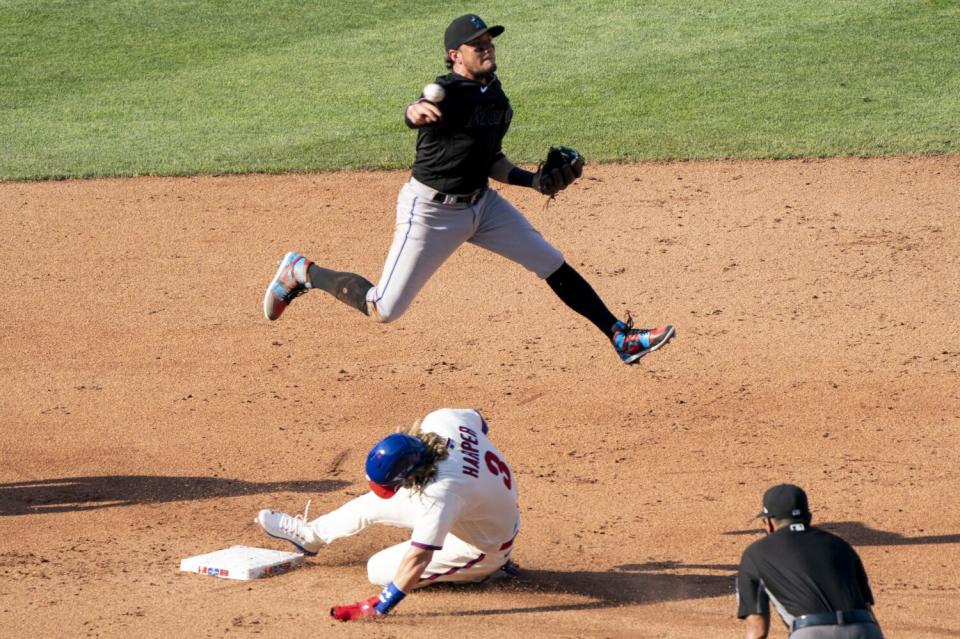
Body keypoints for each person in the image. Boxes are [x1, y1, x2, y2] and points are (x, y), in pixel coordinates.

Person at [261, 14, 674, 364]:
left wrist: (532, 181)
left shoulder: (496, 97)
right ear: (455, 56)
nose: (487, 48)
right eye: (476, 44)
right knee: (382, 308)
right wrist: (413, 112)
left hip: (483, 206)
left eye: (489, 41)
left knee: (550, 262)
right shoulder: (447, 94)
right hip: (431, 213)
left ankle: (619, 336)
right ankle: (302, 272)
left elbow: (492, 160)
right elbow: (417, 109)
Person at [255, 408, 521, 621]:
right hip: (480, 511)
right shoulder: (443, 421)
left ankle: (487, 570)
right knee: (371, 505)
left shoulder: (442, 493)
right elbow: (478, 421)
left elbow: (419, 558)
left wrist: (380, 606)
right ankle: (310, 536)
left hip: (481, 545)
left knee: (379, 570)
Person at [736, 484, 884, 639]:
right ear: (809, 518)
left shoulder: (755, 554)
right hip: (865, 629)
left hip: (812, 633)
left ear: (769, 523)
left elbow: (757, 630)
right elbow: (867, 610)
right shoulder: (841, 545)